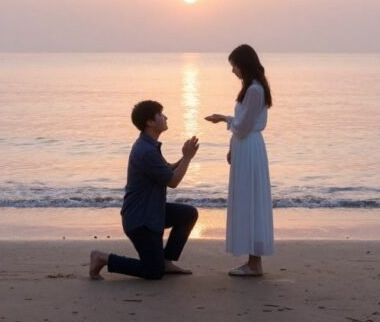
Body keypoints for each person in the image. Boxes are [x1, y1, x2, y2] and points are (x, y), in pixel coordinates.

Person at [89, 100, 200, 280]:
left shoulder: (148, 145)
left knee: (188, 214)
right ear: (150, 122)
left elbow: (167, 170)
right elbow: (173, 181)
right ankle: (103, 258)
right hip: (141, 220)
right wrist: (187, 158)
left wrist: (185, 157)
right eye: (161, 114)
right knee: (153, 272)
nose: (165, 117)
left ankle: (166, 261)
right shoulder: (146, 150)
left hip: (152, 212)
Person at [204, 44, 274, 276]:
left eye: (234, 65)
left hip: (249, 146)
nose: (233, 70)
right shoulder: (252, 89)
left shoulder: (254, 90)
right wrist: (225, 119)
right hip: (246, 145)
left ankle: (255, 262)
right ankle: (253, 260)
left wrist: (226, 121)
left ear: (243, 64)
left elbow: (243, 126)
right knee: (248, 197)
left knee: (250, 198)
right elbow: (243, 122)